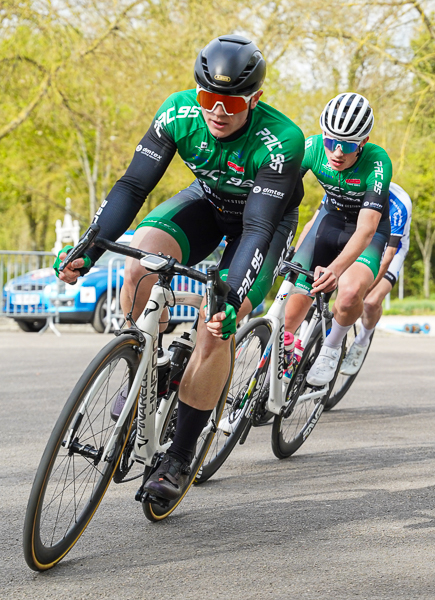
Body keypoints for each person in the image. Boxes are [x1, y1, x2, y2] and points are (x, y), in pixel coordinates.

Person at [53, 35, 306, 500]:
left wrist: (230, 299)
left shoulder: (281, 141)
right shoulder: (177, 112)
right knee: (140, 266)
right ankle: (142, 376)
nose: (218, 112)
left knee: (217, 327)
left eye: (231, 102)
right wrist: (89, 247)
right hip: (207, 203)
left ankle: (180, 455)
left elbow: (255, 228)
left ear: (255, 99)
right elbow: (132, 186)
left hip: (261, 223)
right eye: (208, 99)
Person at [283, 92, 393, 385]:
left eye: (347, 145)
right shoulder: (312, 147)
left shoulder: (378, 162)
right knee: (290, 314)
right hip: (329, 221)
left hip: (367, 231)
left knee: (347, 293)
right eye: (331, 142)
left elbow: (367, 229)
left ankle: (332, 347)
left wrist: (336, 269)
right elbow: (279, 193)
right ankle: (276, 372)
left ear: (363, 143)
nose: (337, 152)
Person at [335, 181, 412, 375]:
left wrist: (367, 288)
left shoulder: (399, 202)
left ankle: (362, 342)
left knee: (370, 301)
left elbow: (388, 256)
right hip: (359, 237)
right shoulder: (348, 185)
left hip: (390, 249)